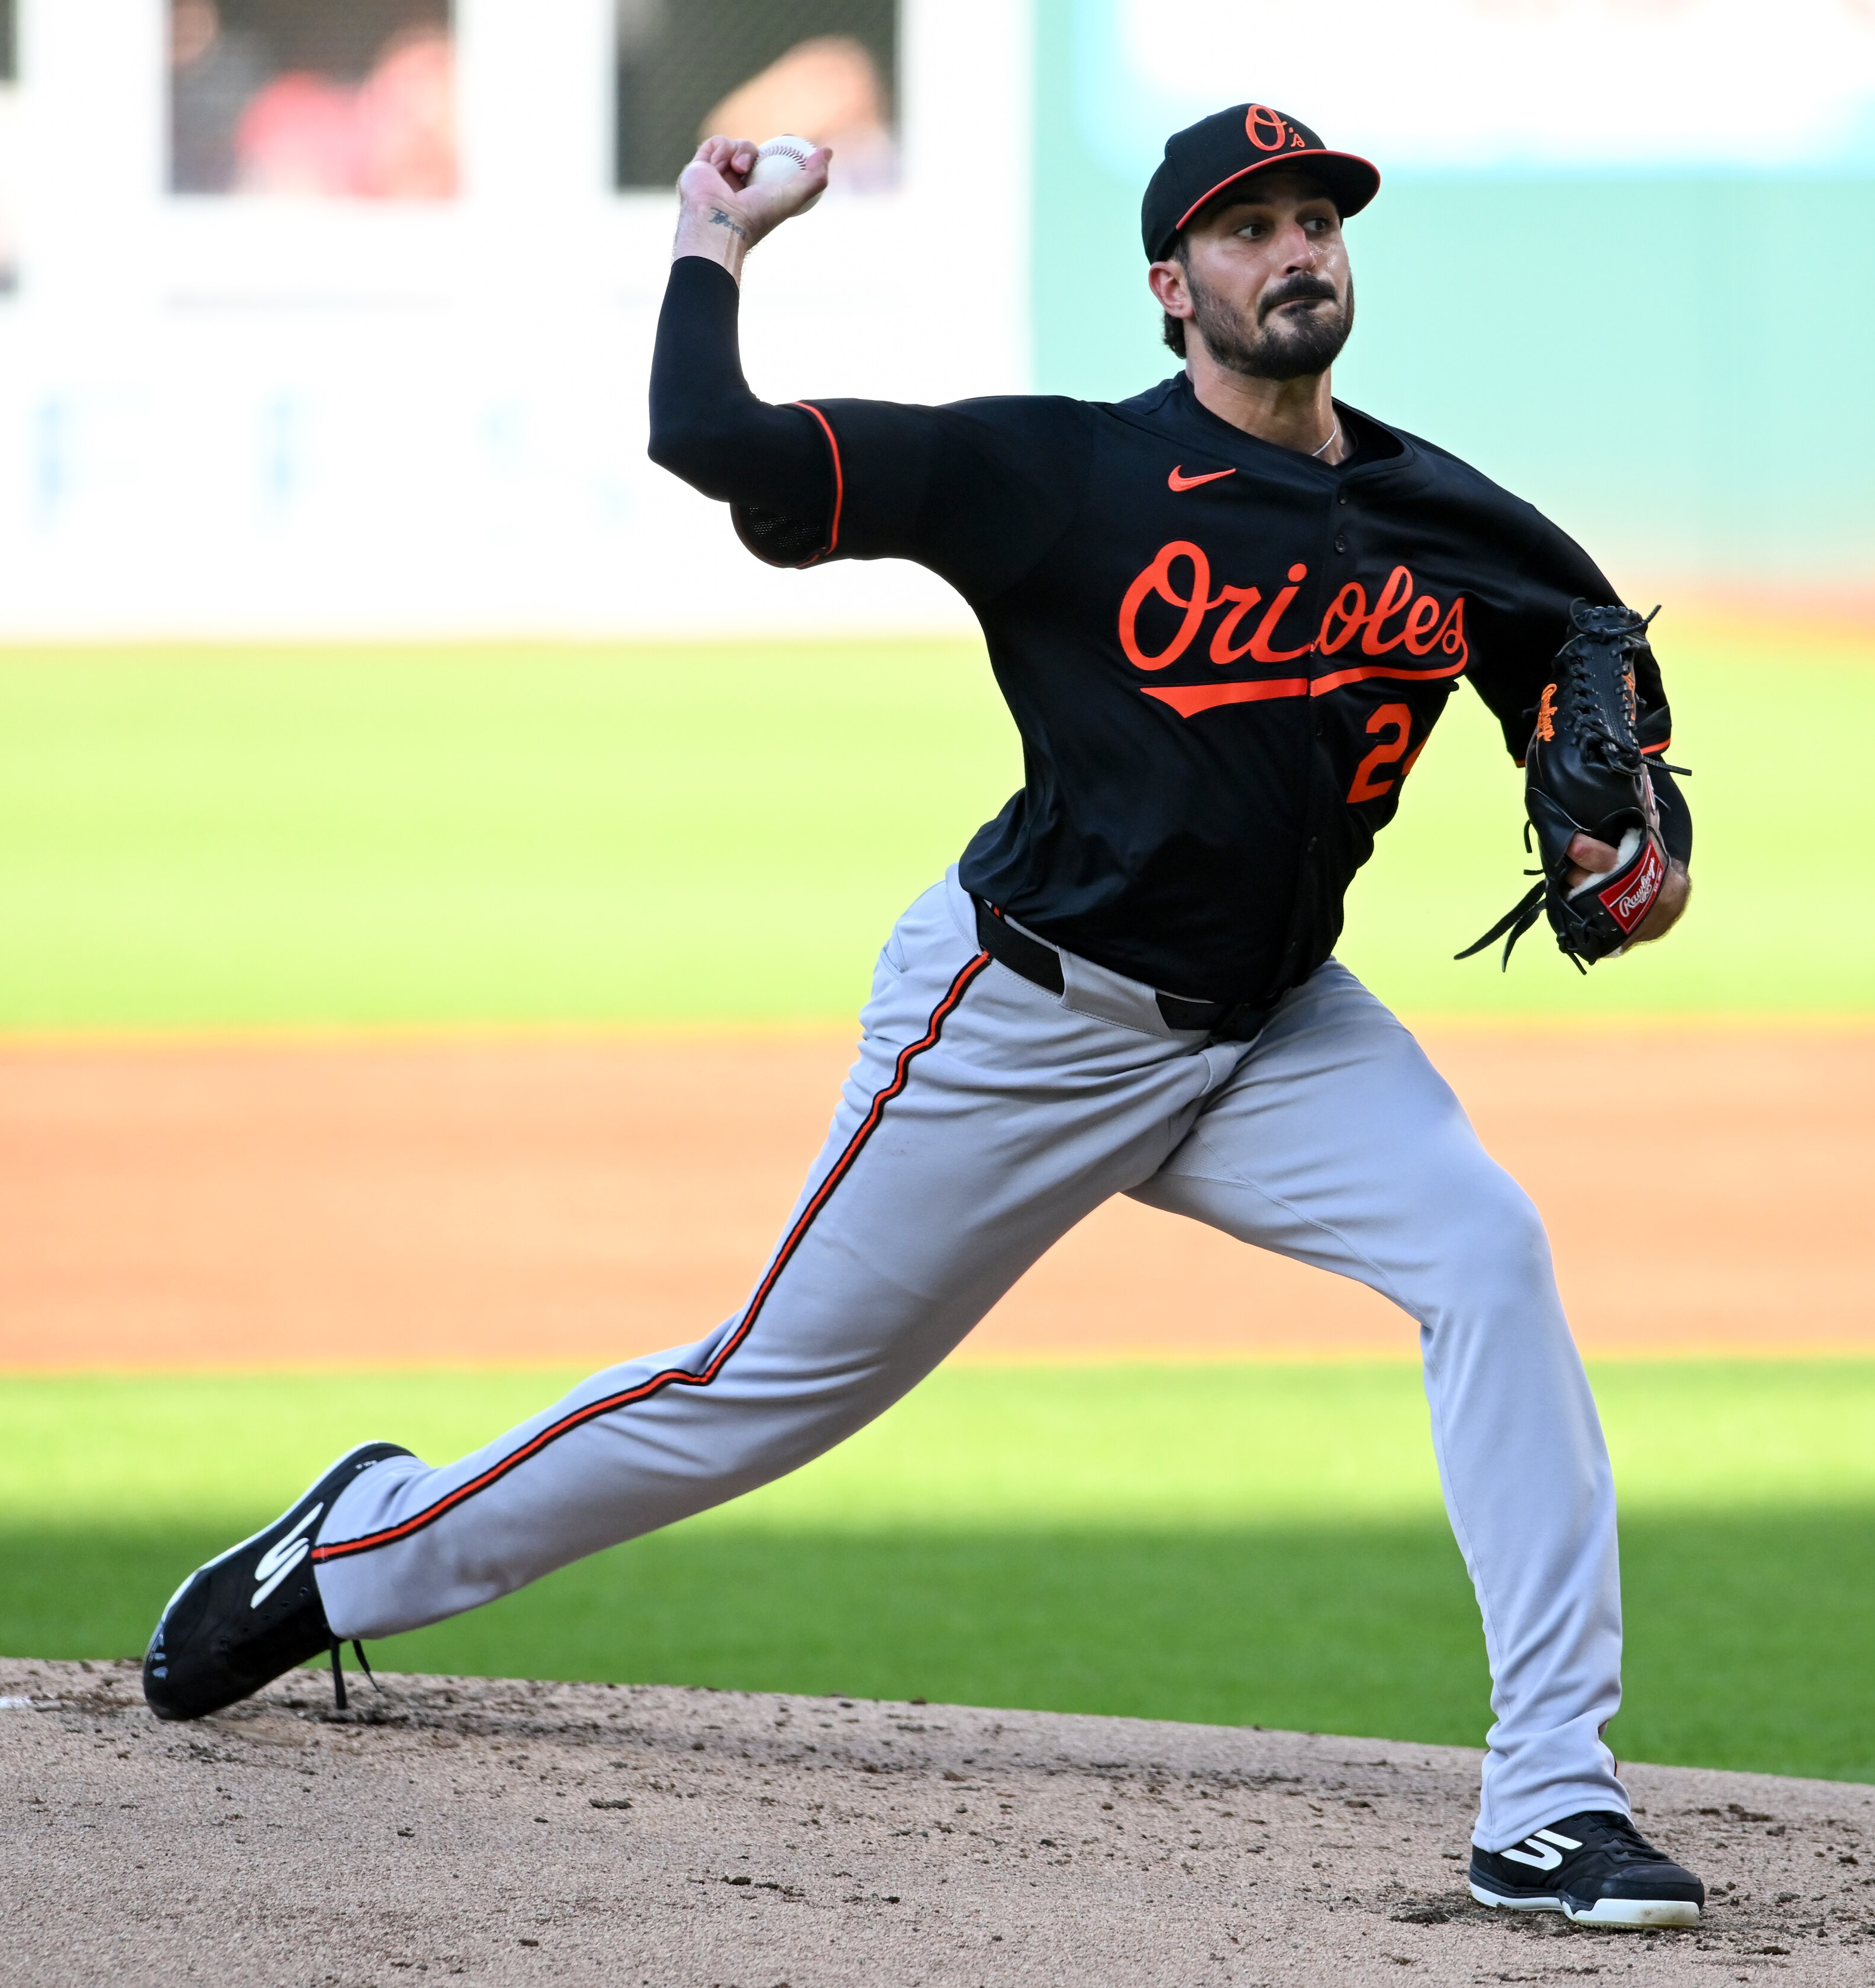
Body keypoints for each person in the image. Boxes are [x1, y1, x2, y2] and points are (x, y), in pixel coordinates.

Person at [142, 103, 1704, 1931]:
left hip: (1276, 1033)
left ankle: (1549, 1801)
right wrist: (716, 245)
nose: (1294, 252)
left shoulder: (1452, 518)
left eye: (1313, 221)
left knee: (1489, 1255)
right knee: (754, 1400)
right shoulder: (1059, 477)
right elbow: (706, 440)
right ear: (1169, 288)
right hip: (1026, 1020)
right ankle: (357, 1547)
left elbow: (1588, 677)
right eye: (1247, 228)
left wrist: (1640, 833)